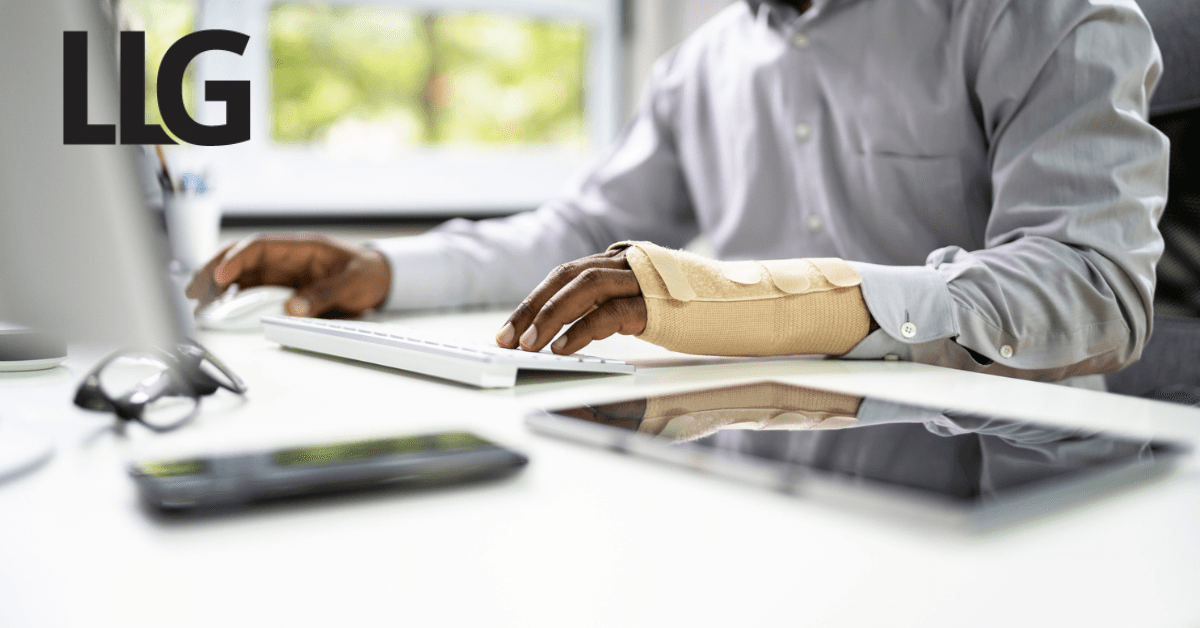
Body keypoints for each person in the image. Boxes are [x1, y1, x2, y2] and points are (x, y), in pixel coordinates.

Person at [187, 0, 1169, 387]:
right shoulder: (704, 59)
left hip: (988, 455)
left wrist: (760, 305)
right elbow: (584, 232)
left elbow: (1097, 284)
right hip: (742, 429)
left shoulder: (1043, 15)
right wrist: (386, 266)